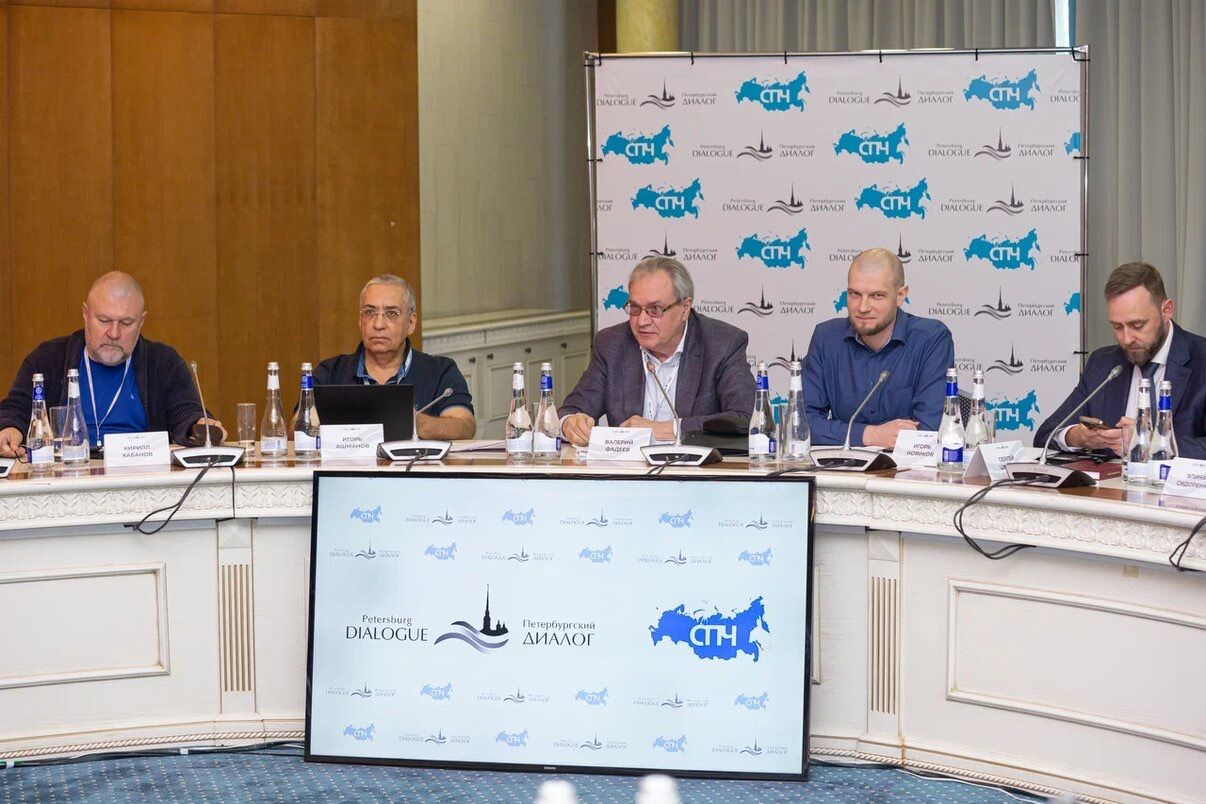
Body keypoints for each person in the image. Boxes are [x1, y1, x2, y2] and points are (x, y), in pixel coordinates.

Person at [0, 271, 223, 457]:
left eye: (126, 323)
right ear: (86, 314)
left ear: (141, 322)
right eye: (104, 320)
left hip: (141, 477)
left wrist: (199, 426)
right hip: (66, 475)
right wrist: (10, 428)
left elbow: (186, 413)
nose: (114, 333)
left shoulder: (164, 362)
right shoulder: (47, 359)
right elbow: (15, 409)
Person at [559, 257, 754, 446]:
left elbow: (746, 419)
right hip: (627, 467)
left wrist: (665, 429)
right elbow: (570, 410)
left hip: (697, 467)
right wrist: (570, 424)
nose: (642, 321)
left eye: (655, 309)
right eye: (635, 308)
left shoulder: (722, 344)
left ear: (685, 309)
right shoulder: (612, 344)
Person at [1035, 261, 1206, 458]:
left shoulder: (1201, 359)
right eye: (1117, 327)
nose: (1126, 339)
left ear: (1166, 310)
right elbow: (1045, 434)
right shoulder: (1103, 364)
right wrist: (1078, 437)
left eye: (1137, 325)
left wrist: (1152, 443)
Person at [804, 248, 954, 447]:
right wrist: (870, 435)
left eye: (877, 296)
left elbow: (926, 431)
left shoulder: (930, 339)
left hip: (905, 466)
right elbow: (802, 424)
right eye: (855, 294)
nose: (863, 307)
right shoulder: (826, 338)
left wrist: (843, 434)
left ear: (900, 295)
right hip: (843, 464)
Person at [314, 274, 475, 440]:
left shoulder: (441, 371)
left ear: (411, 323)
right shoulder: (329, 373)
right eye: (370, 312)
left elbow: (465, 426)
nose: (378, 325)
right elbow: (301, 429)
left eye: (391, 313)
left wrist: (415, 423)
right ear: (361, 321)